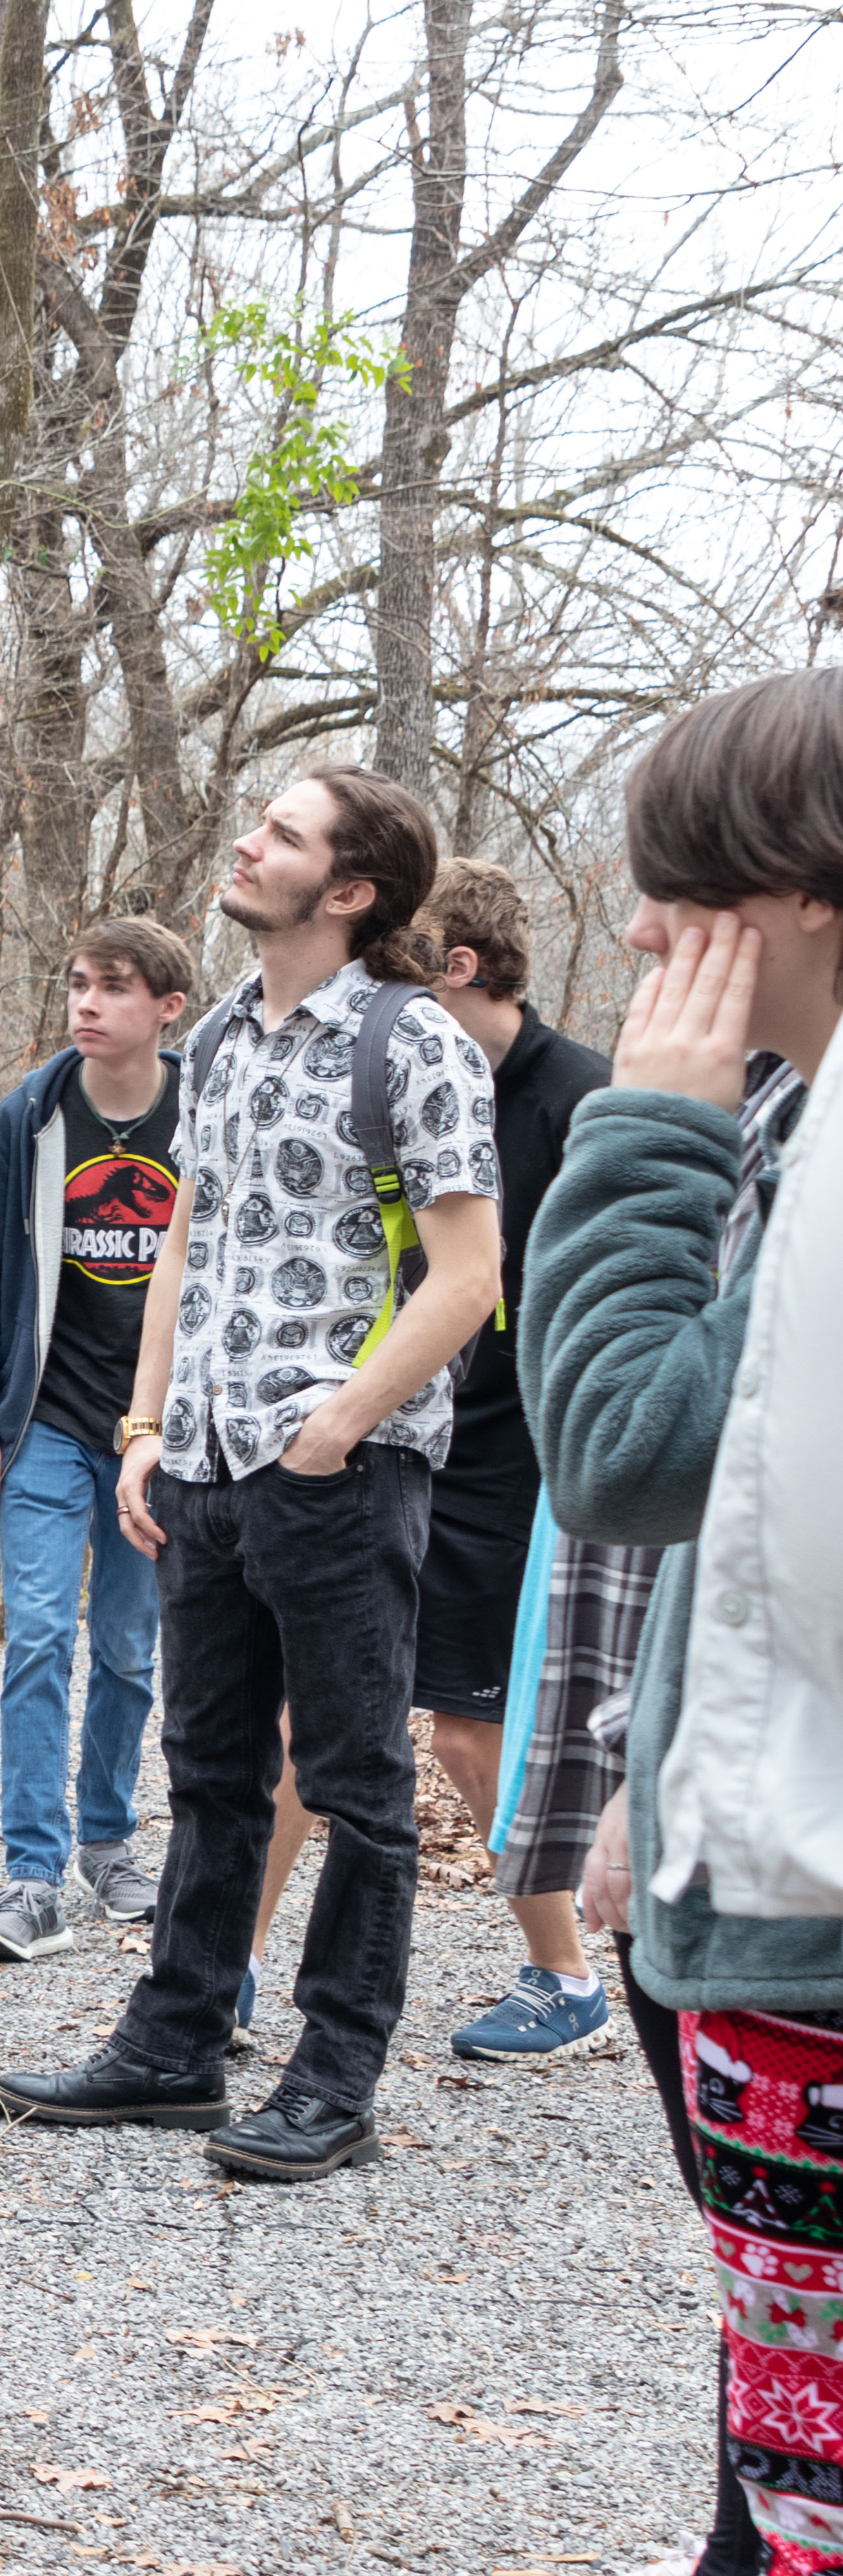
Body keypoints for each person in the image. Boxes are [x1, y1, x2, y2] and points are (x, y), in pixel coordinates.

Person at [0, 763, 501, 2184]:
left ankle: (336, 2078)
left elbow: (467, 1276)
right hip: (204, 1464)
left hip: (341, 1467)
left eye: (281, 833)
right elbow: (182, 1244)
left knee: (353, 1780)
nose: (246, 838)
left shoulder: (414, 1044)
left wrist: (339, 1422)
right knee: (208, 1768)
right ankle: (174, 2042)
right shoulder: (215, 1038)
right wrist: (145, 1426)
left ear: (350, 889)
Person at [531, 672, 843, 2576]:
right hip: (752, 1855)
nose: (642, 934)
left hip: (803, 1931)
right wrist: (661, 1774)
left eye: (677, 890)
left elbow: (626, 1442)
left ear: (802, 890)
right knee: (774, 2436)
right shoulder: (805, 1119)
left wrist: (643, 1123)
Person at [391, 859, 620, 2062]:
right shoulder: (400, 1087)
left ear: (459, 968)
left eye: (402, 958)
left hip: (525, 1459)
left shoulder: (582, 1100)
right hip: (400, 1433)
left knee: (473, 1735)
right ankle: (227, 1969)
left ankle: (567, 1970)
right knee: (288, 1714)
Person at [0, 919, 193, 1959]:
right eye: (79, 985)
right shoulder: (32, 1117)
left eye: (115, 989)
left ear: (168, 1007)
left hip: (161, 1434)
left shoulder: (206, 1113)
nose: (87, 1005)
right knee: (39, 1636)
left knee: (130, 1650)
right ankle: (32, 1875)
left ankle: (107, 1842)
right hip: (44, 1419)